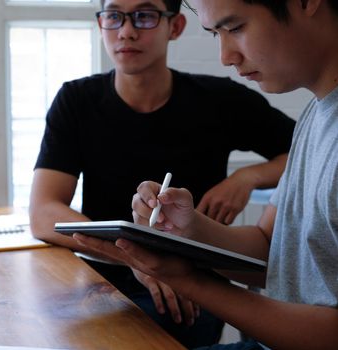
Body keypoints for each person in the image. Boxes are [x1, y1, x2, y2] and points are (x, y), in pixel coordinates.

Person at [72, 0, 338, 349]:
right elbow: (271, 248)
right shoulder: (316, 114)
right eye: (216, 34)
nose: (226, 56)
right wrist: (187, 232)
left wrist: (189, 279)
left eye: (236, 28)